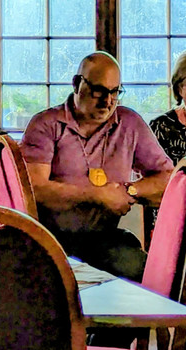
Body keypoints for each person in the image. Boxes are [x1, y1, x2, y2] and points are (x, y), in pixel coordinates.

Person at [21, 52, 172, 282]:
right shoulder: (46, 124)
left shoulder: (129, 123)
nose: (107, 101)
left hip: (103, 238)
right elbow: (34, 189)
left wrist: (129, 191)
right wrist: (96, 195)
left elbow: (168, 178)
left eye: (115, 92)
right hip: (50, 239)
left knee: (151, 277)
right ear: (76, 84)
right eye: (98, 91)